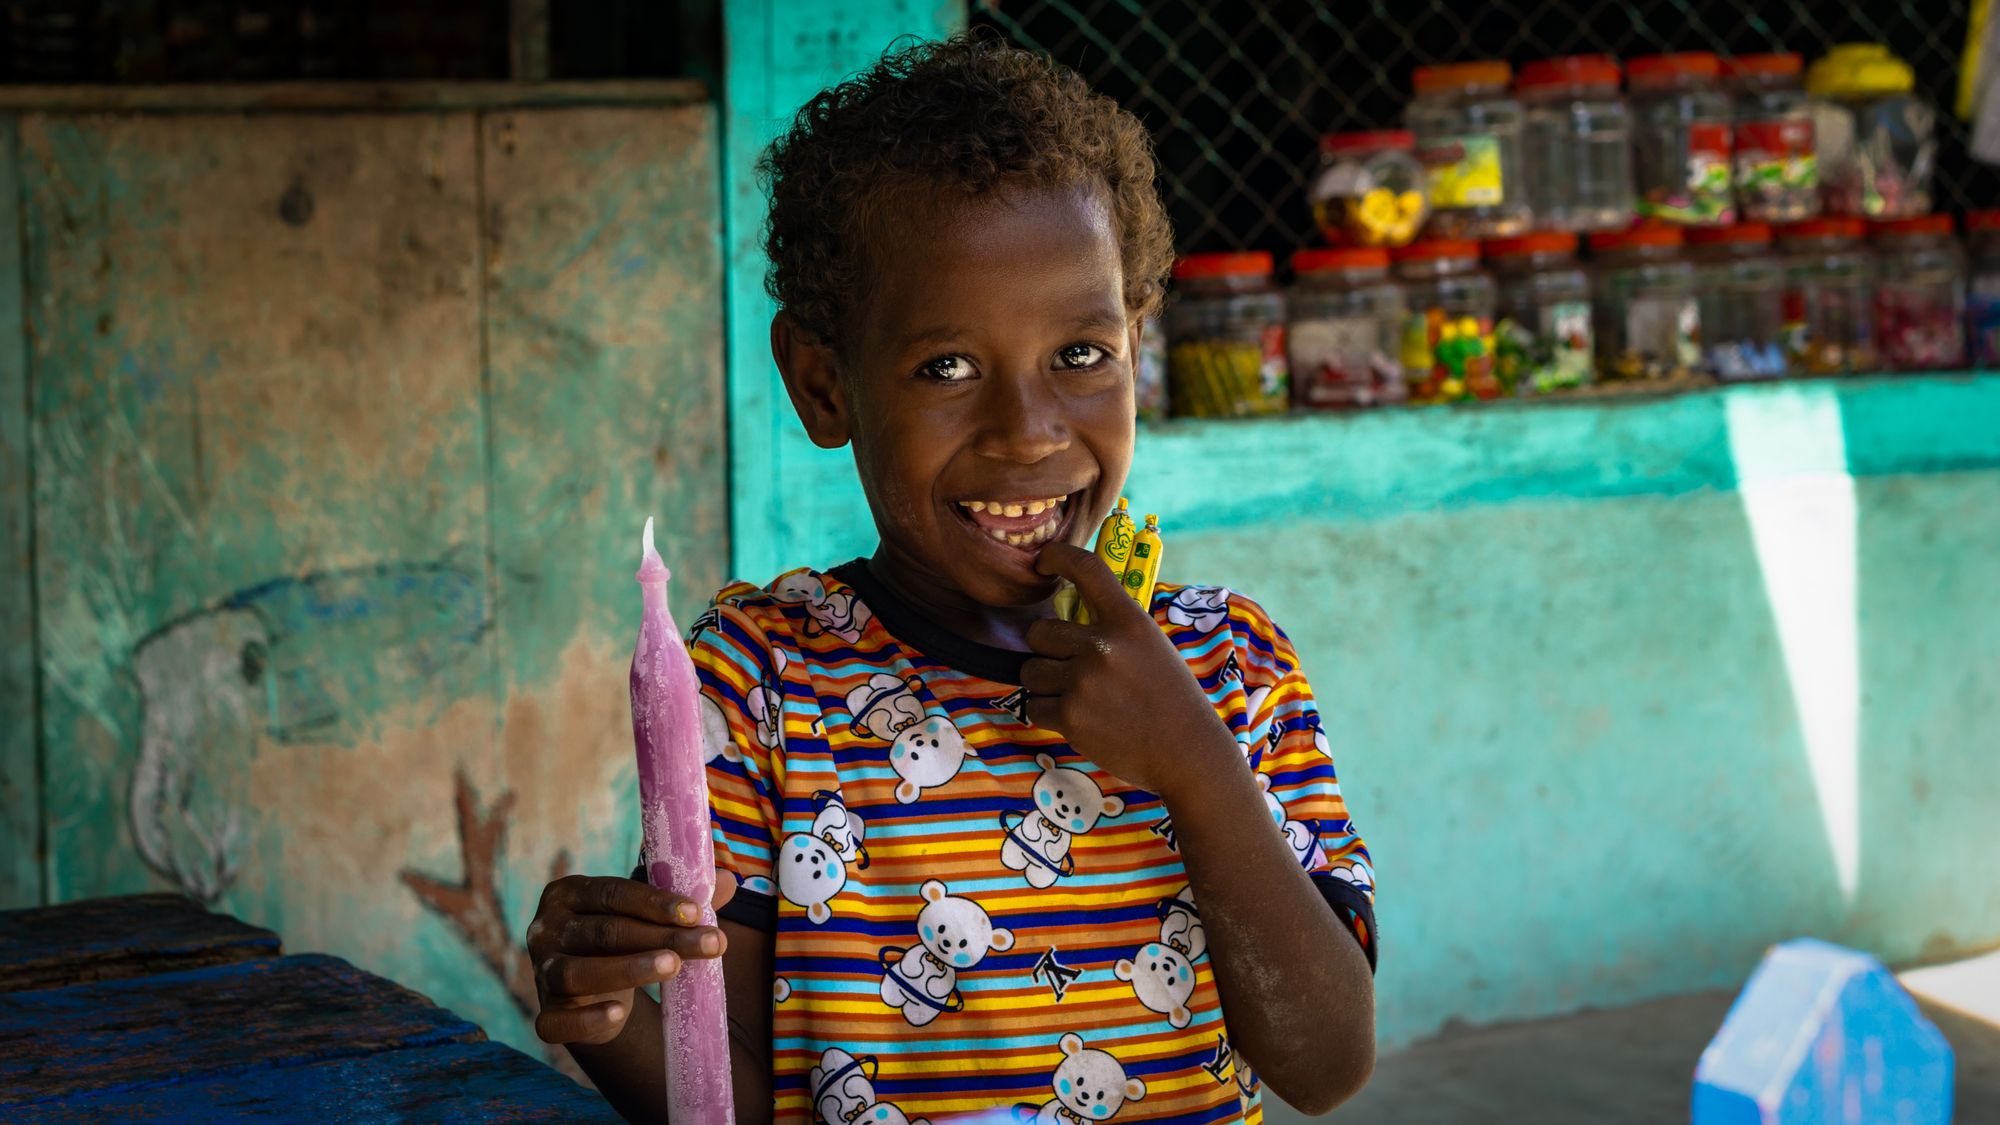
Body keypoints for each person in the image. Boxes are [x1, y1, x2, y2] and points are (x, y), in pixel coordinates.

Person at [526, 31, 1376, 1124]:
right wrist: (610, 1025)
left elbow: (1327, 1063)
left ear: (1135, 342)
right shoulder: (764, 680)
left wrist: (1196, 766)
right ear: (823, 386)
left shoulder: (1227, 662)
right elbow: (721, 1093)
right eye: (946, 367)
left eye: (1081, 353)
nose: (1027, 433)